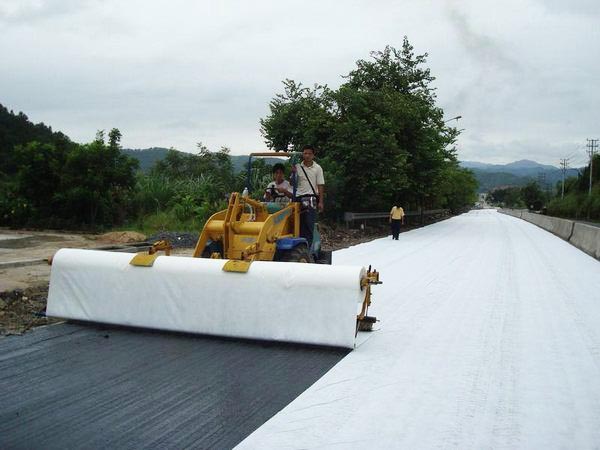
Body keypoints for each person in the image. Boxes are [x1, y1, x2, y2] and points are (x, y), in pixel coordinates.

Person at [293, 145, 325, 248]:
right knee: (295, 223)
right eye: (305, 153)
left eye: (309, 153)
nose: (307, 155)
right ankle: (297, 245)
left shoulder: (317, 168)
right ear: (302, 154)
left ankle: (307, 247)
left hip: (310, 197)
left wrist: (320, 202)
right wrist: (292, 173)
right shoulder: (297, 167)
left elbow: (320, 185)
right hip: (298, 197)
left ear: (313, 155)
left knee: (308, 223)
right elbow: (292, 183)